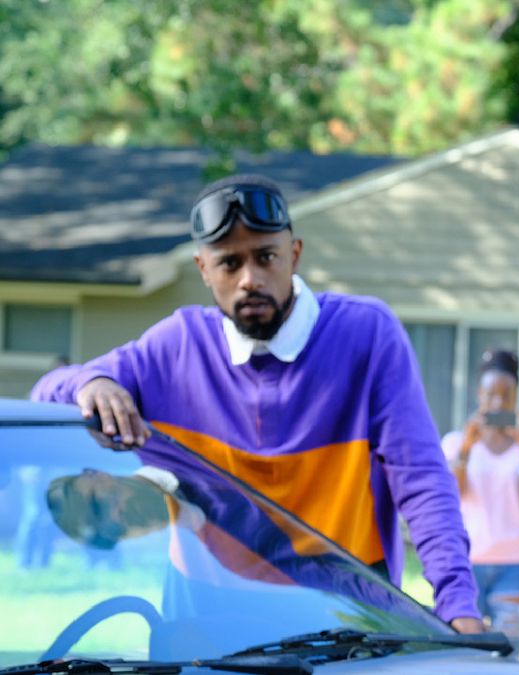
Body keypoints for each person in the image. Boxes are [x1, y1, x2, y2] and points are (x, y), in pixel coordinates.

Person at [31, 173, 482, 632]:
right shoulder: (175, 348)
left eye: (266, 257)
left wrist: (458, 606)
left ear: (295, 255)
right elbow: (47, 393)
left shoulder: (367, 336)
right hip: (210, 631)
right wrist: (92, 381)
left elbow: (421, 478)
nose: (250, 279)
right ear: (203, 270)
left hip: (349, 626)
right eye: (229, 264)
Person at [441, 348, 519, 655]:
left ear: (516, 397)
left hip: (518, 566)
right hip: (465, 566)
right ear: (479, 394)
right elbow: (452, 493)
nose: (498, 402)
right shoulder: (454, 443)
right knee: (460, 657)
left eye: (507, 395)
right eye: (491, 394)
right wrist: (465, 447)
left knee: (506, 659)